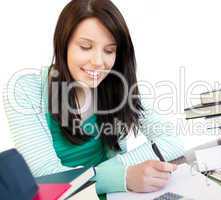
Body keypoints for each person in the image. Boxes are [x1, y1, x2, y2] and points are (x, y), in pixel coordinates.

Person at [3, 0, 184, 195]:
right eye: (85, 47)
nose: (98, 62)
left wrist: (121, 173)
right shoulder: (24, 89)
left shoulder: (117, 83)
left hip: (117, 194)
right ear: (63, 44)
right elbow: (47, 177)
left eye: (109, 51)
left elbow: (172, 142)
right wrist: (120, 176)